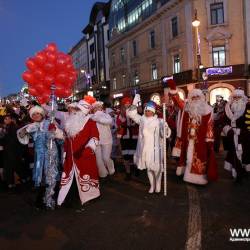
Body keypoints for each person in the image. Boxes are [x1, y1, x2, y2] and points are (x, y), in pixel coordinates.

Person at [168, 80, 218, 185]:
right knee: (188, 157)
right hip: (188, 138)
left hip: (200, 140)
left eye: (197, 97)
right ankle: (188, 176)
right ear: (190, 99)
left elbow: (209, 126)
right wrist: (173, 89)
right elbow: (177, 101)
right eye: (193, 98)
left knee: (199, 158)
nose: (195, 100)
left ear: (201, 98)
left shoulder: (208, 110)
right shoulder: (187, 108)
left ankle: (199, 178)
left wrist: (209, 140)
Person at [17, 105, 64, 209]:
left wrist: (54, 131)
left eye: (38, 113)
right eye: (33, 114)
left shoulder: (50, 123)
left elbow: (61, 136)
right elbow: (21, 135)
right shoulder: (31, 126)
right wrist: (24, 131)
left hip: (51, 153)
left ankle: (52, 199)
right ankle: (41, 200)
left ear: (42, 114)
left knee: (52, 176)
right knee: (41, 177)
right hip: (39, 155)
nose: (36, 115)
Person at [57, 96, 100, 207]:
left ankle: (89, 196)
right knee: (71, 178)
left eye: (78, 110)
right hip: (71, 156)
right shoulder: (69, 122)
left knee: (86, 176)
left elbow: (95, 138)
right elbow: (66, 137)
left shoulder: (90, 122)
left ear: (84, 111)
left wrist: (87, 150)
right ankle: (70, 198)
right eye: (76, 109)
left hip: (84, 156)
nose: (75, 112)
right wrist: (56, 131)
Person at [127, 95, 171, 193]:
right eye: (146, 110)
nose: (147, 112)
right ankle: (152, 185)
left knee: (156, 168)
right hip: (144, 149)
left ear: (153, 111)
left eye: (149, 110)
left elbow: (165, 134)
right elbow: (131, 114)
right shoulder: (141, 119)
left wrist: (165, 129)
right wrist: (134, 103)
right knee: (149, 168)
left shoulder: (159, 121)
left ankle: (158, 184)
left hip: (155, 149)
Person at [222, 88, 250, 181]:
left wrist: (243, 131)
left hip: (244, 136)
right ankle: (237, 172)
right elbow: (224, 121)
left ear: (242, 97)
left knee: (244, 153)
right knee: (234, 153)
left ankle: (243, 169)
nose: (237, 98)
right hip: (232, 135)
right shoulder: (227, 108)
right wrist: (228, 130)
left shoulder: (248, 107)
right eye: (235, 97)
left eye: (239, 97)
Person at [0, 113, 25, 190]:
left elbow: (18, 139)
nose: (7, 120)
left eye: (8, 118)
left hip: (13, 150)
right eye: (5, 119)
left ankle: (16, 182)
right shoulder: (4, 128)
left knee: (14, 166)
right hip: (7, 150)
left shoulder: (15, 127)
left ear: (11, 119)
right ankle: (11, 182)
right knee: (9, 167)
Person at [116, 97, 139, 180]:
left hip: (134, 136)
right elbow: (119, 125)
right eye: (125, 105)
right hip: (125, 137)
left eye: (129, 105)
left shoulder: (135, 113)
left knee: (135, 155)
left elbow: (138, 122)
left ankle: (136, 169)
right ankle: (128, 172)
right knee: (126, 156)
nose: (127, 106)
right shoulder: (120, 115)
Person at [91, 101, 115, 178]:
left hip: (107, 140)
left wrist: (97, 118)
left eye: (99, 107)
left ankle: (111, 169)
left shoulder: (106, 115)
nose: (97, 109)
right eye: (95, 107)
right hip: (96, 141)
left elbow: (109, 121)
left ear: (101, 108)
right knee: (98, 160)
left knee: (105, 158)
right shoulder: (91, 116)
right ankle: (103, 174)